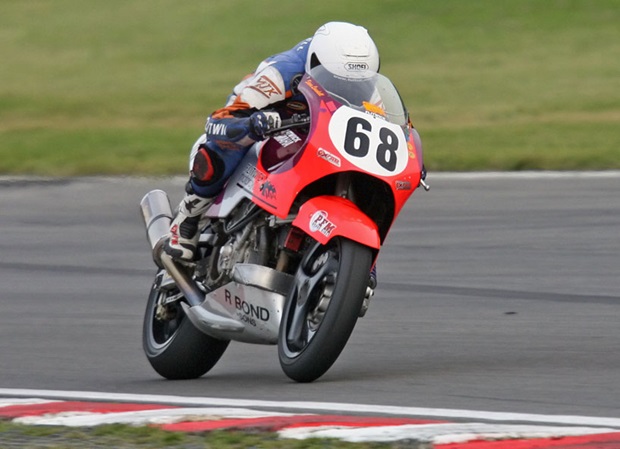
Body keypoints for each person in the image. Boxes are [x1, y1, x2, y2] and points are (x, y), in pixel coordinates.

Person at [164, 21, 380, 290]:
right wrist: (252, 125)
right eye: (339, 81)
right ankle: (189, 216)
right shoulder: (281, 73)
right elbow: (219, 121)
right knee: (229, 142)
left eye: (356, 82)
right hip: (270, 116)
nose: (349, 87)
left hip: (320, 129)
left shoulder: (368, 84)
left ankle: (364, 262)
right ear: (315, 64)